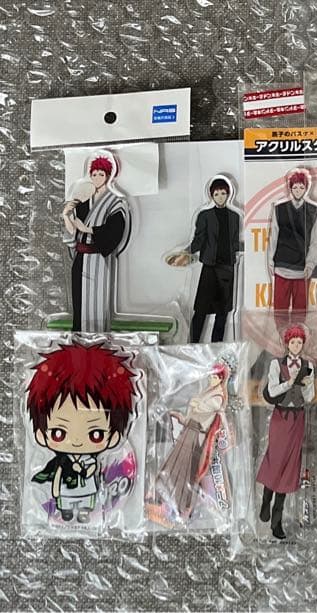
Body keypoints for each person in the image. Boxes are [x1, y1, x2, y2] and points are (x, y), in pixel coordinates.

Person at [26, 341, 140, 523]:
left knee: (87, 502)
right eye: (59, 433)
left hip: (88, 491)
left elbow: (93, 470)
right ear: (40, 434)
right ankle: (66, 511)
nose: (77, 441)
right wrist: (55, 491)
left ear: (113, 437)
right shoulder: (61, 462)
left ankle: (84, 511)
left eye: (96, 434)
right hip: (65, 493)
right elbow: (57, 475)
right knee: (66, 504)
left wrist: (86, 470)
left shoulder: (92, 460)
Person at [256, 325, 316, 539]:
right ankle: (265, 500)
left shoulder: (308, 366)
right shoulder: (276, 364)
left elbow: (309, 397)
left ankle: (277, 520)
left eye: (300, 342)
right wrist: (289, 383)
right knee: (276, 459)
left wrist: (306, 385)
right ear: (287, 343)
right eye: (293, 342)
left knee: (290, 465)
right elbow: (272, 391)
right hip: (280, 417)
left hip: (298, 417)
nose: (296, 346)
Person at [166, 175, 242, 342]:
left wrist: (250, 248)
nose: (220, 197)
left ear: (228, 194)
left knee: (223, 312)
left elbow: (235, 242)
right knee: (201, 309)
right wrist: (185, 253)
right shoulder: (205, 215)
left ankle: (217, 346)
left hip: (227, 268)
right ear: (211, 195)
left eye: (223, 193)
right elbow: (199, 239)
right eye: (217, 194)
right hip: (210, 268)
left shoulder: (235, 217)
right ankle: (192, 343)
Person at [61, 153, 131, 332]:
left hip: (99, 260)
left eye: (101, 174)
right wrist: (66, 216)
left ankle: (99, 340)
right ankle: (78, 338)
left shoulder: (115, 202)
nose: (97, 178)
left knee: (98, 301)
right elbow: (72, 232)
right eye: (94, 174)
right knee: (79, 301)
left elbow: (115, 231)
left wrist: (89, 230)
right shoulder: (83, 202)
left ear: (108, 176)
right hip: (80, 258)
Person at [155, 362, 228, 519]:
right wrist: (181, 415)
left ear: (221, 379)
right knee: (176, 464)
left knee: (188, 468)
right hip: (190, 430)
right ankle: (165, 498)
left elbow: (206, 411)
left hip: (198, 434)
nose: (212, 379)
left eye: (215, 377)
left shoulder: (218, 397)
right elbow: (191, 415)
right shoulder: (208, 393)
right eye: (211, 376)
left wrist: (196, 404)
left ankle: (183, 505)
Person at [268, 169, 317, 320]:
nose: (298, 190)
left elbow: (316, 241)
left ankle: (299, 334)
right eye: (295, 187)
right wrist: (270, 261)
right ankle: (281, 334)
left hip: (302, 269)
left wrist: (310, 264)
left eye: (301, 187)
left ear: (306, 188)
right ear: (290, 188)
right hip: (281, 267)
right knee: (280, 310)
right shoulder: (279, 209)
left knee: (300, 310)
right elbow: (273, 237)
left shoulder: (314, 211)